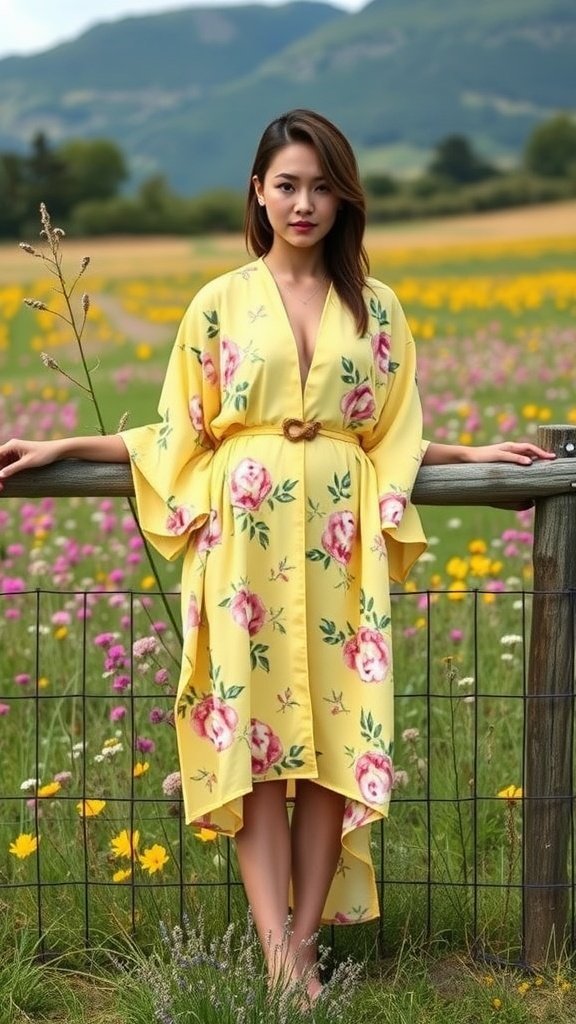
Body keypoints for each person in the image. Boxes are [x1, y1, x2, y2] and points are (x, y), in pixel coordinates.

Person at [0, 109, 554, 1001]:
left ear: (345, 198)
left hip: (340, 547)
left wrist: (470, 456)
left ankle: (306, 940)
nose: (305, 203)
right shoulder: (218, 303)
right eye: (288, 184)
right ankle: (278, 959)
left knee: (337, 739)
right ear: (258, 191)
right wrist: (64, 445)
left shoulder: (376, 307)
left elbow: (387, 431)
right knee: (253, 745)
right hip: (242, 549)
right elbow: (178, 432)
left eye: (322, 186)